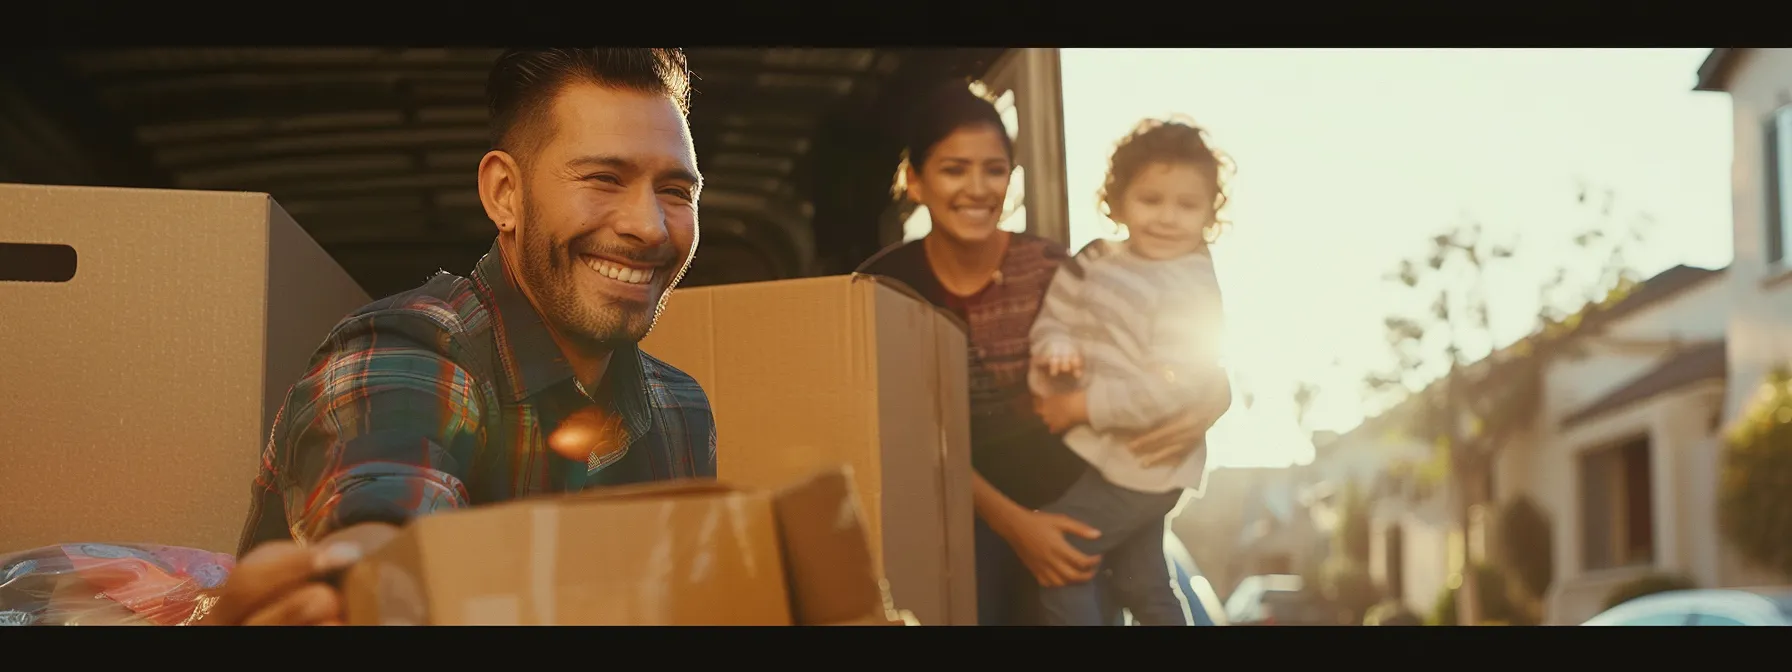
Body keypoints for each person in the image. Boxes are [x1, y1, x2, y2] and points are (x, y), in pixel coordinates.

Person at [202, 48, 715, 626]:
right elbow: (385, 518)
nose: (648, 225)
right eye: (603, 179)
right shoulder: (403, 350)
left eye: (675, 190)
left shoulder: (680, 410)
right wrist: (370, 580)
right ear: (504, 194)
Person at [855, 85, 1227, 625]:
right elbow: (907, 435)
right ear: (914, 180)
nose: (978, 188)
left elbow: (1177, 353)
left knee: (1125, 591)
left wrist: (1217, 393)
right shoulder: (882, 285)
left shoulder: (1056, 267)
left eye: (996, 170)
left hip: (1079, 492)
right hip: (959, 516)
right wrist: (1017, 526)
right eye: (954, 170)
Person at [1027, 117, 1235, 626]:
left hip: (1149, 464)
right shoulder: (1095, 259)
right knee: (1142, 579)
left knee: (1062, 557)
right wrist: (1055, 347)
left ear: (1210, 214)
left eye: (1187, 206)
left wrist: (1081, 405)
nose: (1167, 217)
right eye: (1150, 199)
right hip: (1110, 458)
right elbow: (1055, 319)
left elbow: (1176, 385)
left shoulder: (1190, 283)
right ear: (1117, 202)